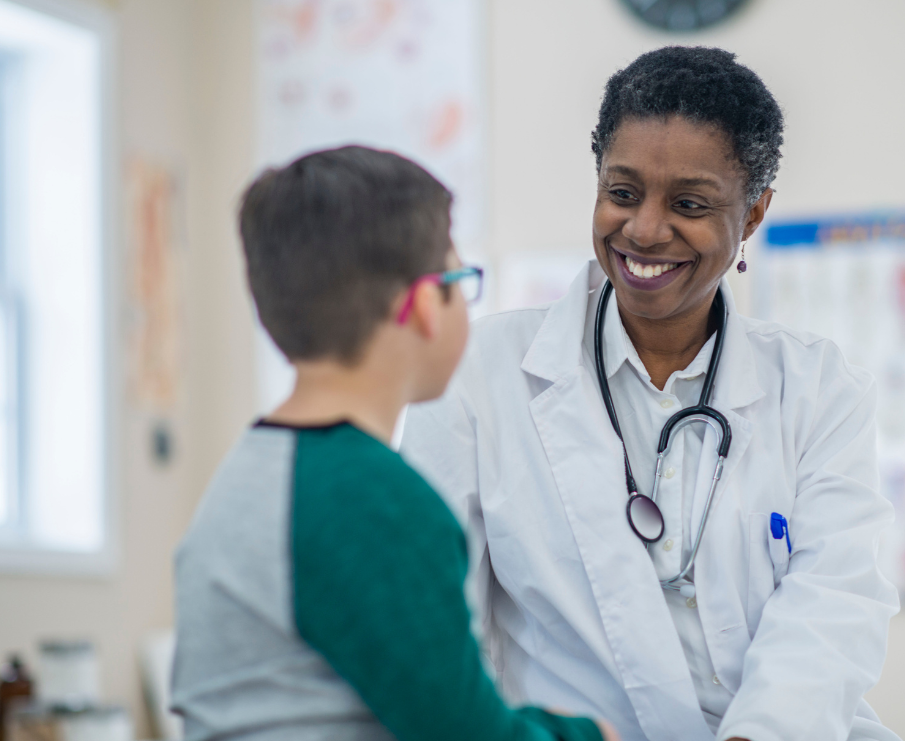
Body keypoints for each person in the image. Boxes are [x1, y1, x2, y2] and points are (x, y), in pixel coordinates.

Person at [400, 47, 902, 741]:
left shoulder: (817, 390)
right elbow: (434, 616)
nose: (643, 229)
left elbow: (836, 600)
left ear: (754, 213)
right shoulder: (479, 374)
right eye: (623, 192)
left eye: (690, 204)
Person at [171, 146, 617, 741]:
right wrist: (588, 736)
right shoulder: (373, 501)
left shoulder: (250, 471)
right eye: (463, 281)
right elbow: (459, 734)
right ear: (427, 304)